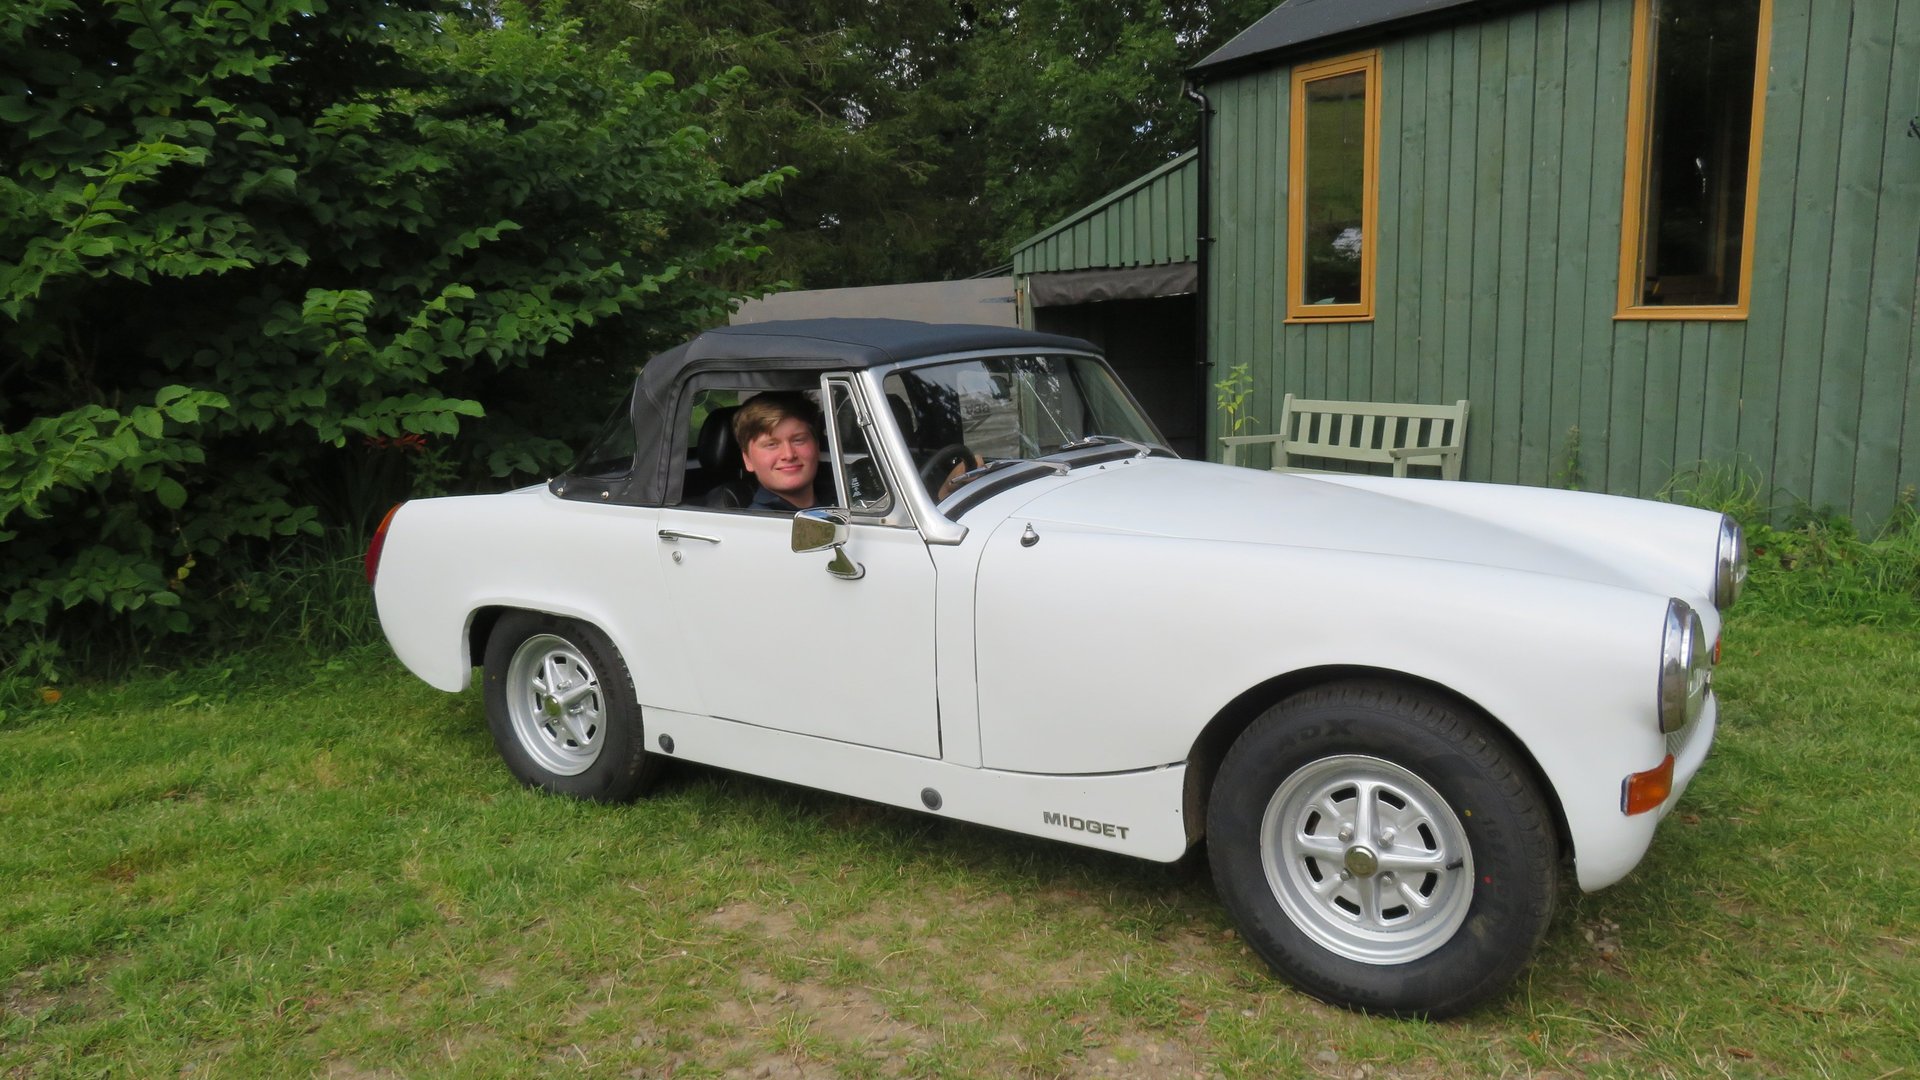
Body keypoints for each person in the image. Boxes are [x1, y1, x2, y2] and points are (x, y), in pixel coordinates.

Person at [732, 392, 831, 512]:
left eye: (798, 440)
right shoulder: (754, 521)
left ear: (817, 447)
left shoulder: (844, 497)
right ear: (748, 459)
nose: (789, 455)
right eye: (771, 445)